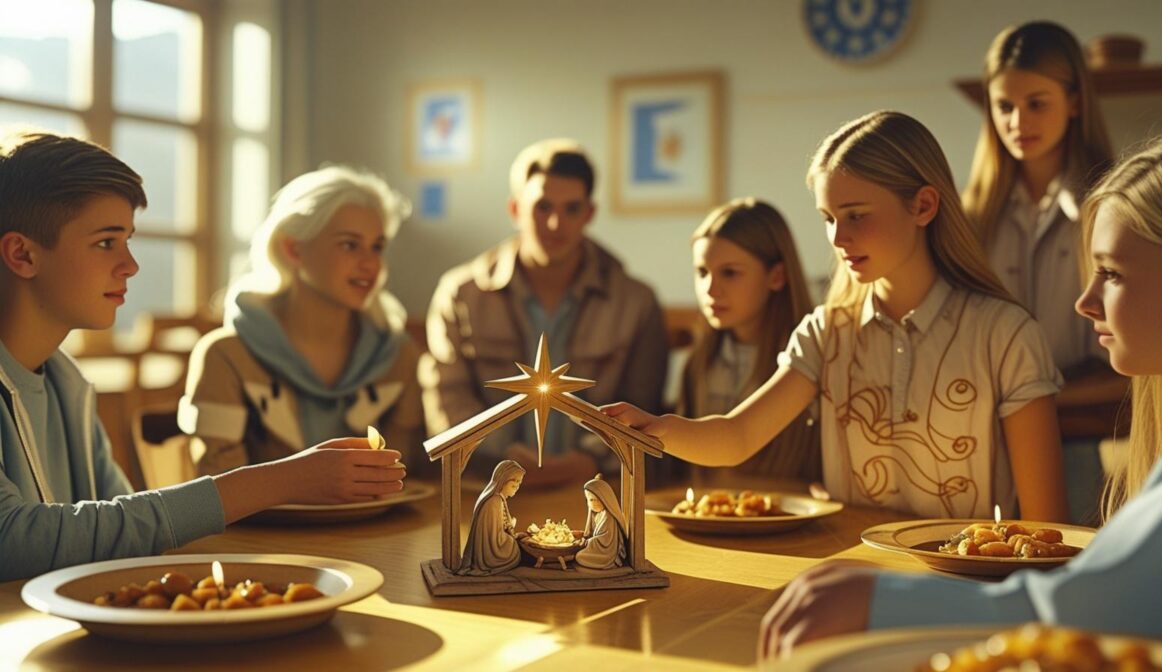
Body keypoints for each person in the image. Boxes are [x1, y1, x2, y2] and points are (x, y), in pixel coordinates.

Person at [757, 128, 1162, 658]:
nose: (1084, 301)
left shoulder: (1003, 333)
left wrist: (881, 600)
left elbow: (1100, 610)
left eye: (1112, 272)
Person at [605, 111, 1069, 522]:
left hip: (968, 582)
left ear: (924, 206)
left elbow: (1046, 525)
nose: (837, 238)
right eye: (828, 218)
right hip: (853, 577)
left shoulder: (1006, 335)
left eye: (856, 215)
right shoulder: (826, 333)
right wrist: (658, 428)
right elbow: (738, 436)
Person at [0, 132, 404, 582]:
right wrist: (285, 480)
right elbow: (9, 542)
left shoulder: (66, 383)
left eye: (128, 240)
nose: (131, 265)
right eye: (106, 242)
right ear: (22, 254)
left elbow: (126, 535)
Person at [420, 139, 668, 488]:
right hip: (485, 486)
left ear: (589, 214)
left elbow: (644, 407)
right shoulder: (461, 294)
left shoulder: (635, 302)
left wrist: (591, 459)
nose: (555, 223)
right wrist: (503, 455)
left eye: (572, 209)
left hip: (598, 489)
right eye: (543, 207)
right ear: (515, 208)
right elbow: (447, 397)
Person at [962, 20, 1125, 524]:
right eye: (1004, 106)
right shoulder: (972, 215)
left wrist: (1040, 398)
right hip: (985, 439)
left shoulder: (1112, 209)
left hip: (1083, 435)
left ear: (1074, 101)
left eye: (1036, 103)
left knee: (1064, 561)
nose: (1018, 121)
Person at [179, 165, 426, 478]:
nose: (370, 264)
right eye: (349, 244)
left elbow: (407, 476)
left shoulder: (399, 356)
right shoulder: (224, 356)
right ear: (293, 249)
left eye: (377, 247)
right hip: (262, 516)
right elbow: (219, 488)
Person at [681, 198, 820, 483]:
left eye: (729, 273)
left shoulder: (809, 358)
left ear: (777, 276)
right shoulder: (700, 360)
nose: (710, 289)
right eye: (702, 272)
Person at [458, 459, 526, 576]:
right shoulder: (494, 502)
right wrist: (512, 533)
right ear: (503, 482)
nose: (517, 488)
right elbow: (496, 539)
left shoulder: (497, 498)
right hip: (490, 555)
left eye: (519, 485)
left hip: (491, 547)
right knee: (518, 550)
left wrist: (510, 527)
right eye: (514, 485)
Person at [574, 474, 626, 570]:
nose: (594, 503)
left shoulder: (608, 516)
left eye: (598, 500)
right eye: (591, 500)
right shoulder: (597, 514)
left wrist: (586, 542)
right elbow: (591, 533)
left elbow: (604, 540)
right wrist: (584, 537)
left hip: (607, 554)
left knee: (579, 557)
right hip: (597, 550)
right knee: (578, 554)